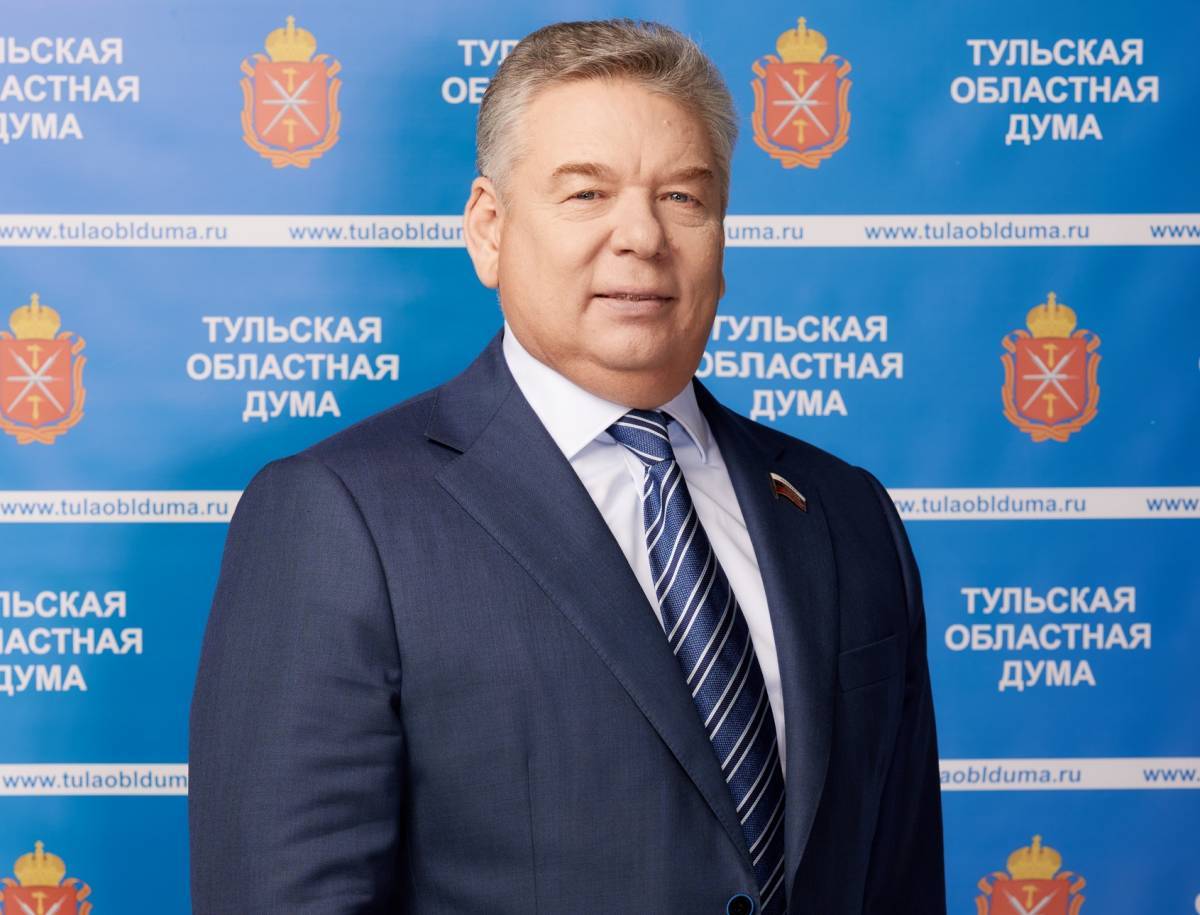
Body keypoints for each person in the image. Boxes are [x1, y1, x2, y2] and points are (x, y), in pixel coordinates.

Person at [189, 19, 945, 915]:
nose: (642, 236)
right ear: (489, 229)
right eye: (587, 193)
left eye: (682, 197)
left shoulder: (847, 512)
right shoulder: (339, 517)